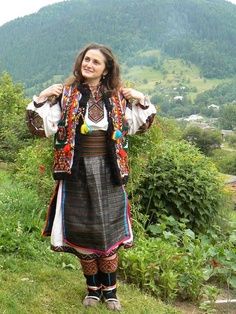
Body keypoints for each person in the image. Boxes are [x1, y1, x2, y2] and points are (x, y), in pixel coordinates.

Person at [27, 43, 156, 311]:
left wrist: (140, 99)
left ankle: (111, 292)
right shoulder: (67, 95)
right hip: (76, 171)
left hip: (109, 170)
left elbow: (140, 125)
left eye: (96, 62)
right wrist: (42, 97)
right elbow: (41, 128)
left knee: (107, 230)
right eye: (87, 59)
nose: (89, 65)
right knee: (83, 229)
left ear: (106, 69)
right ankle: (92, 290)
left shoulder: (118, 97)